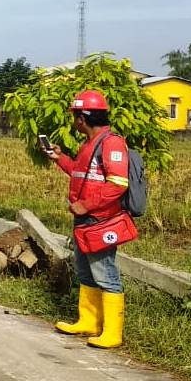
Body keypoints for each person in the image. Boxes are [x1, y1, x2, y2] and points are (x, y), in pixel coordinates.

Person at [46, 90, 131, 349]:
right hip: (84, 219)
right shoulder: (89, 144)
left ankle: (112, 333)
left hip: (100, 220)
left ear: (82, 118)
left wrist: (86, 204)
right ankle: (89, 321)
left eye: (74, 116)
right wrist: (60, 158)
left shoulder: (111, 143)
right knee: (86, 272)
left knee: (105, 273)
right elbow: (80, 173)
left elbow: (118, 184)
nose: (74, 121)